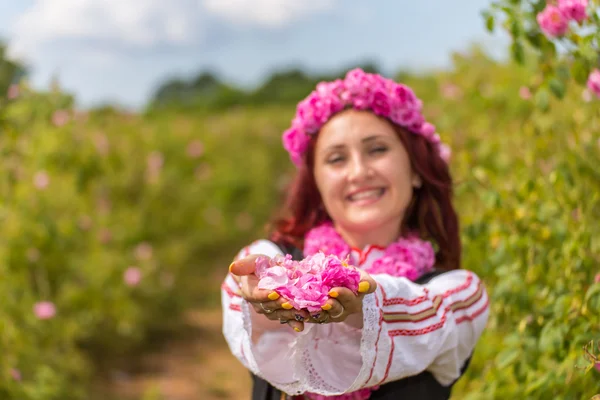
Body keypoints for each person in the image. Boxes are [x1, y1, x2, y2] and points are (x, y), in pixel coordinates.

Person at [222, 68, 490, 400]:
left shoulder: (460, 292)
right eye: (337, 159)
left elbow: (427, 313)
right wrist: (266, 283)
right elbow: (241, 290)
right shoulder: (275, 259)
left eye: (377, 150)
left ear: (416, 170)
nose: (359, 172)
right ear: (317, 184)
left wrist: (364, 304)